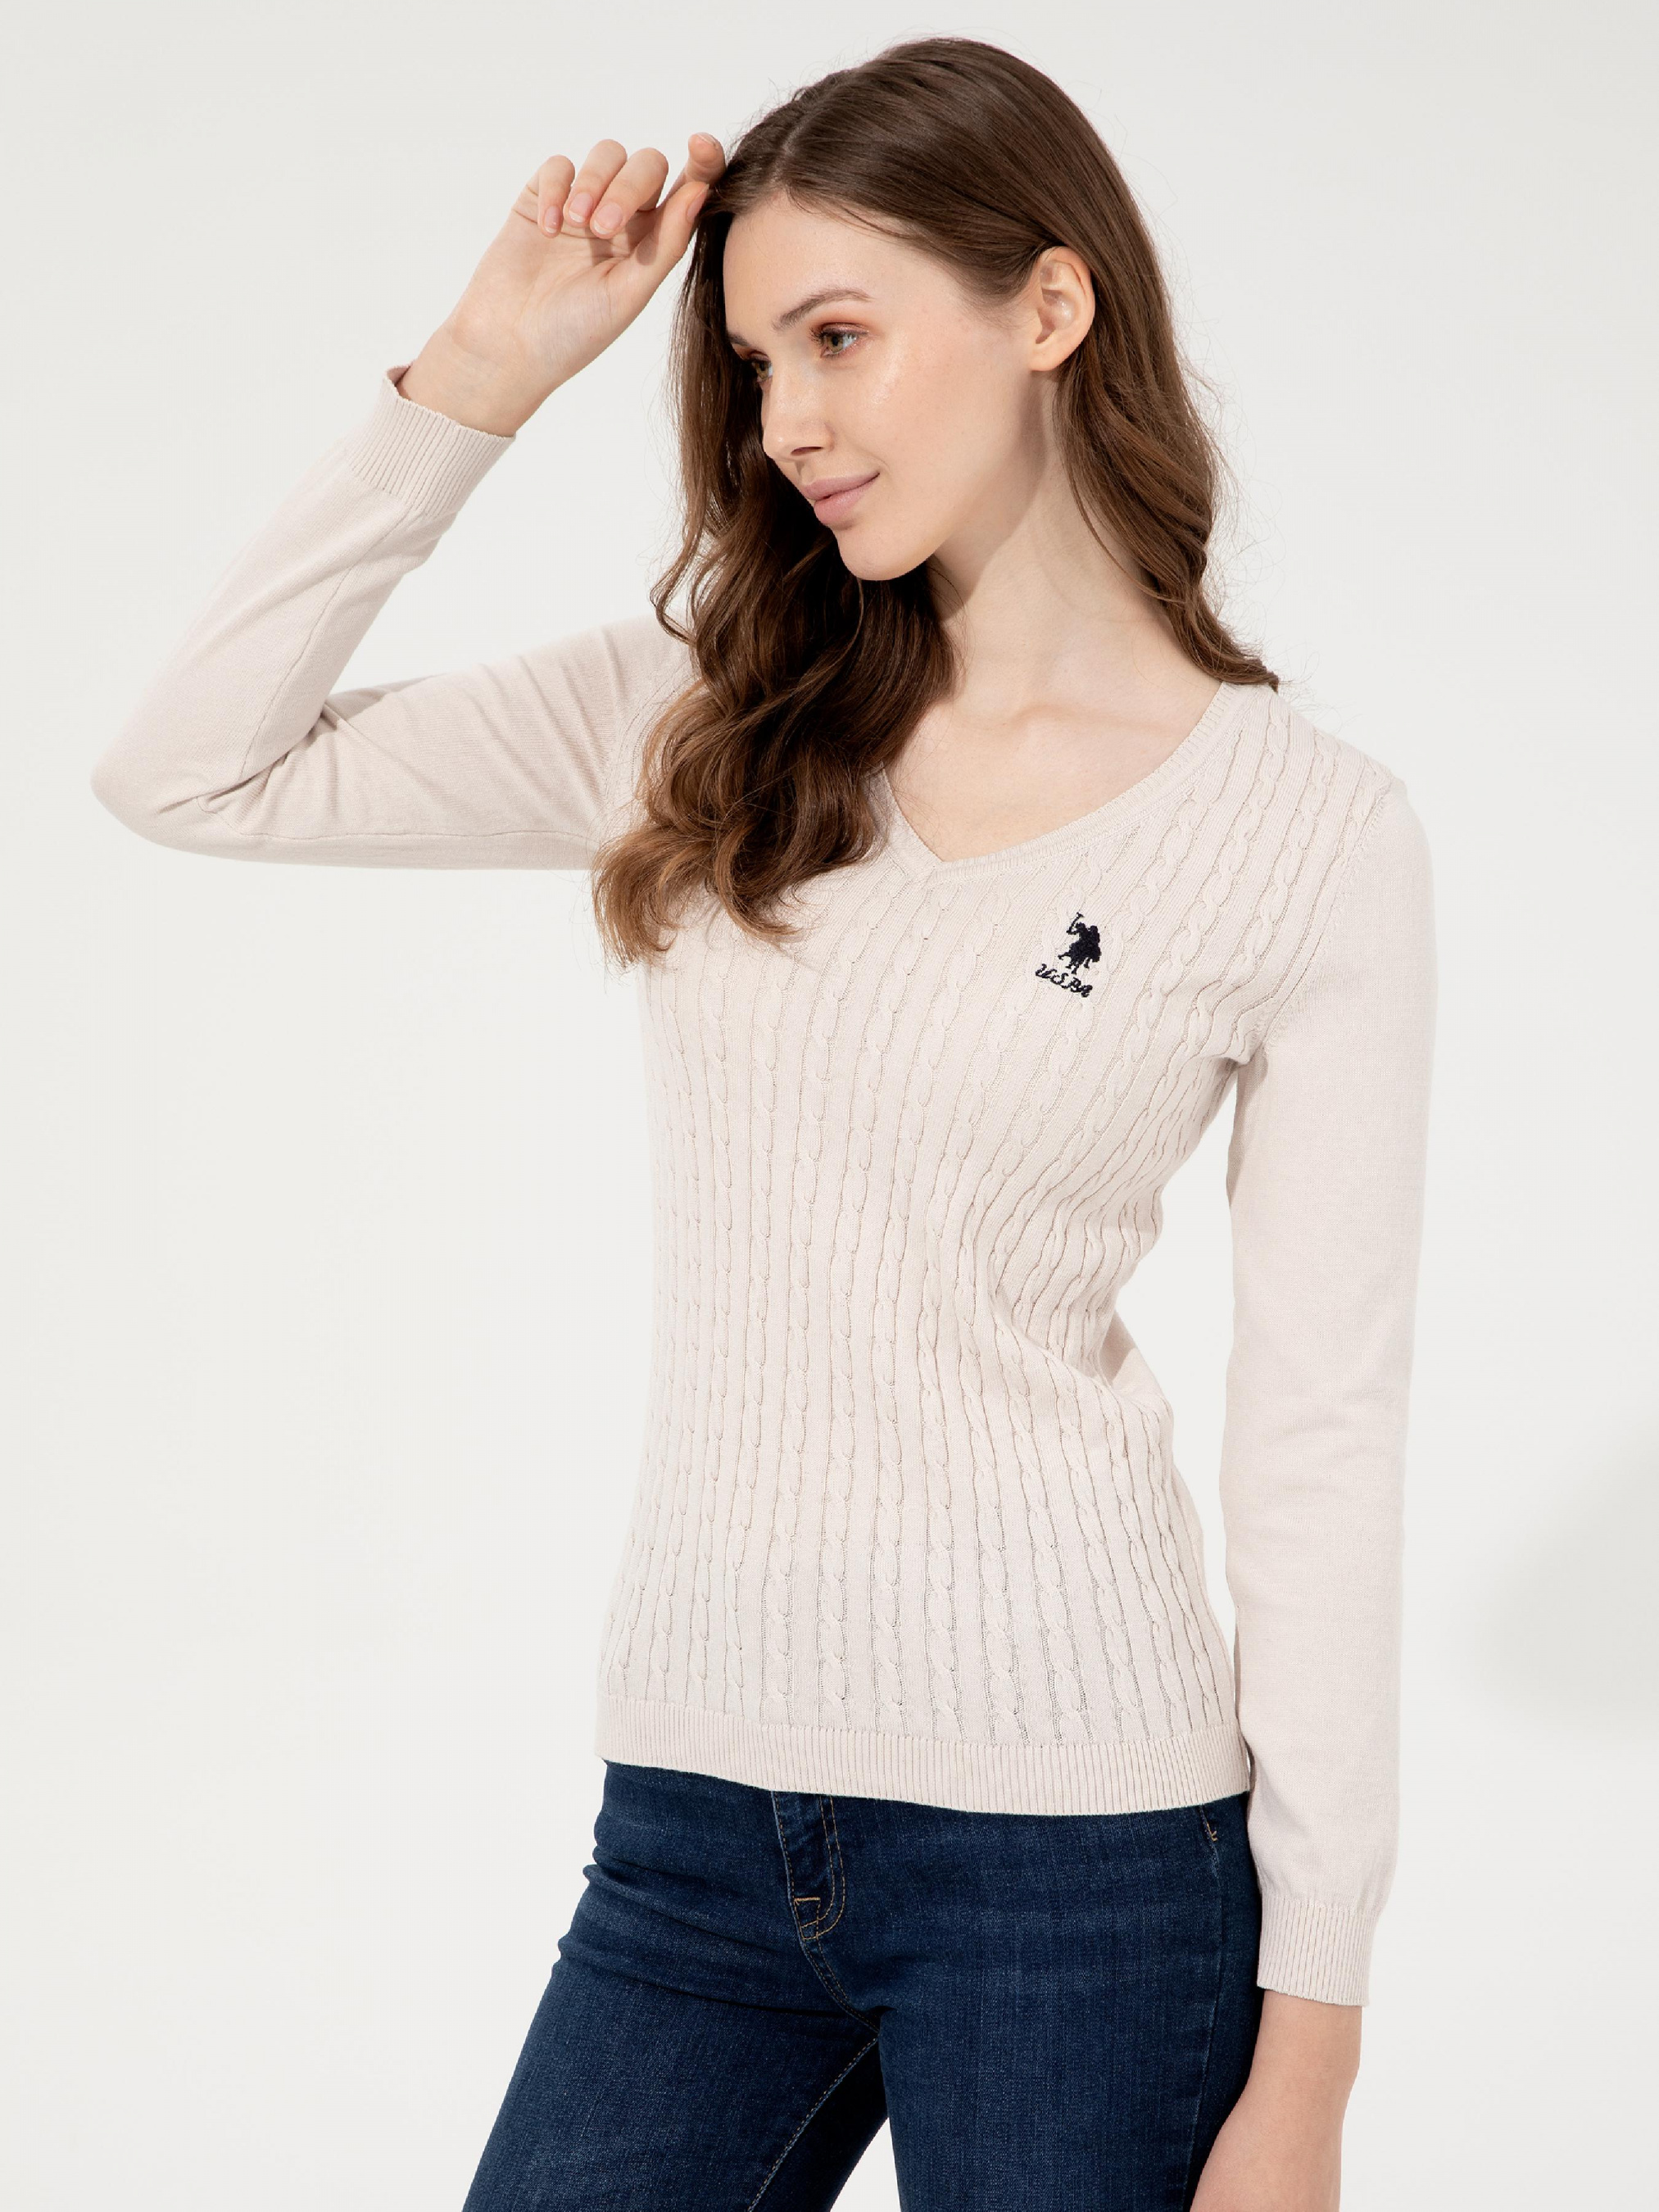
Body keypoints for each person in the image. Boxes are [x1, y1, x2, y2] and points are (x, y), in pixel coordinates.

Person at [89, 34, 1437, 2212]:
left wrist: (1314, 2062)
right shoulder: (706, 716)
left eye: (838, 336)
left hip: (1086, 1866)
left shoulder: (1306, 834)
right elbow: (189, 770)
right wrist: (475, 379)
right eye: (750, 363)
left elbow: (1322, 1445)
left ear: (1050, 307)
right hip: (696, 1836)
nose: (786, 419)